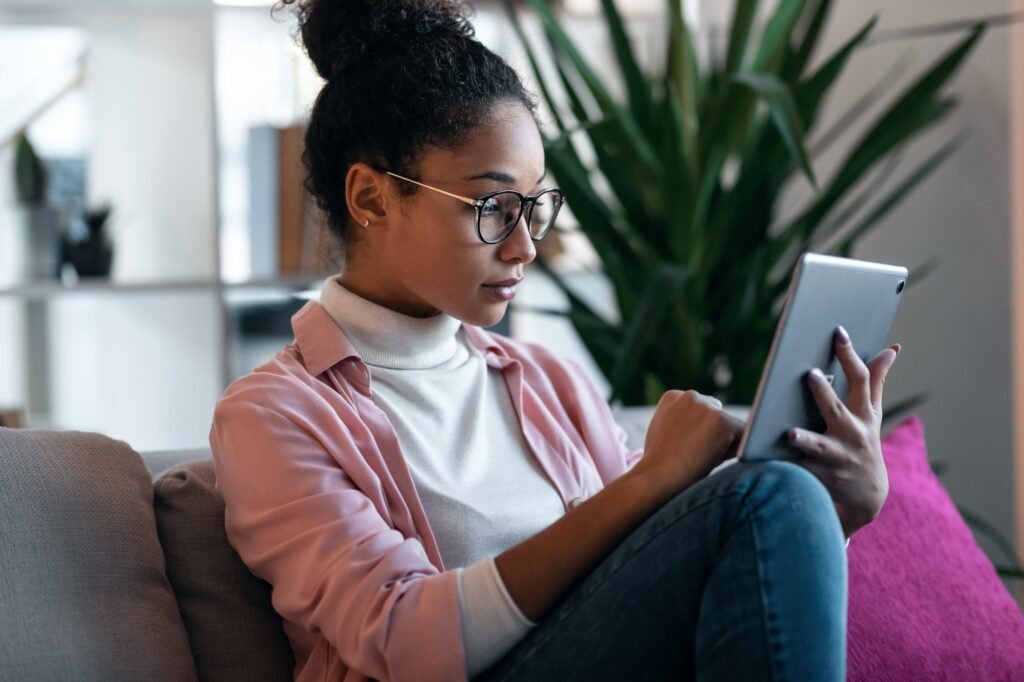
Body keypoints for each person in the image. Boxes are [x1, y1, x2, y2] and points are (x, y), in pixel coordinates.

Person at [208, 1, 902, 680]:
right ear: (371, 199)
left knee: (782, 492)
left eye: (533, 208)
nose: (524, 248)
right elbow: (400, 640)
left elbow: (680, 582)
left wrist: (844, 509)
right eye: (492, 207)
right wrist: (655, 479)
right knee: (766, 497)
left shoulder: (546, 381)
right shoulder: (272, 416)